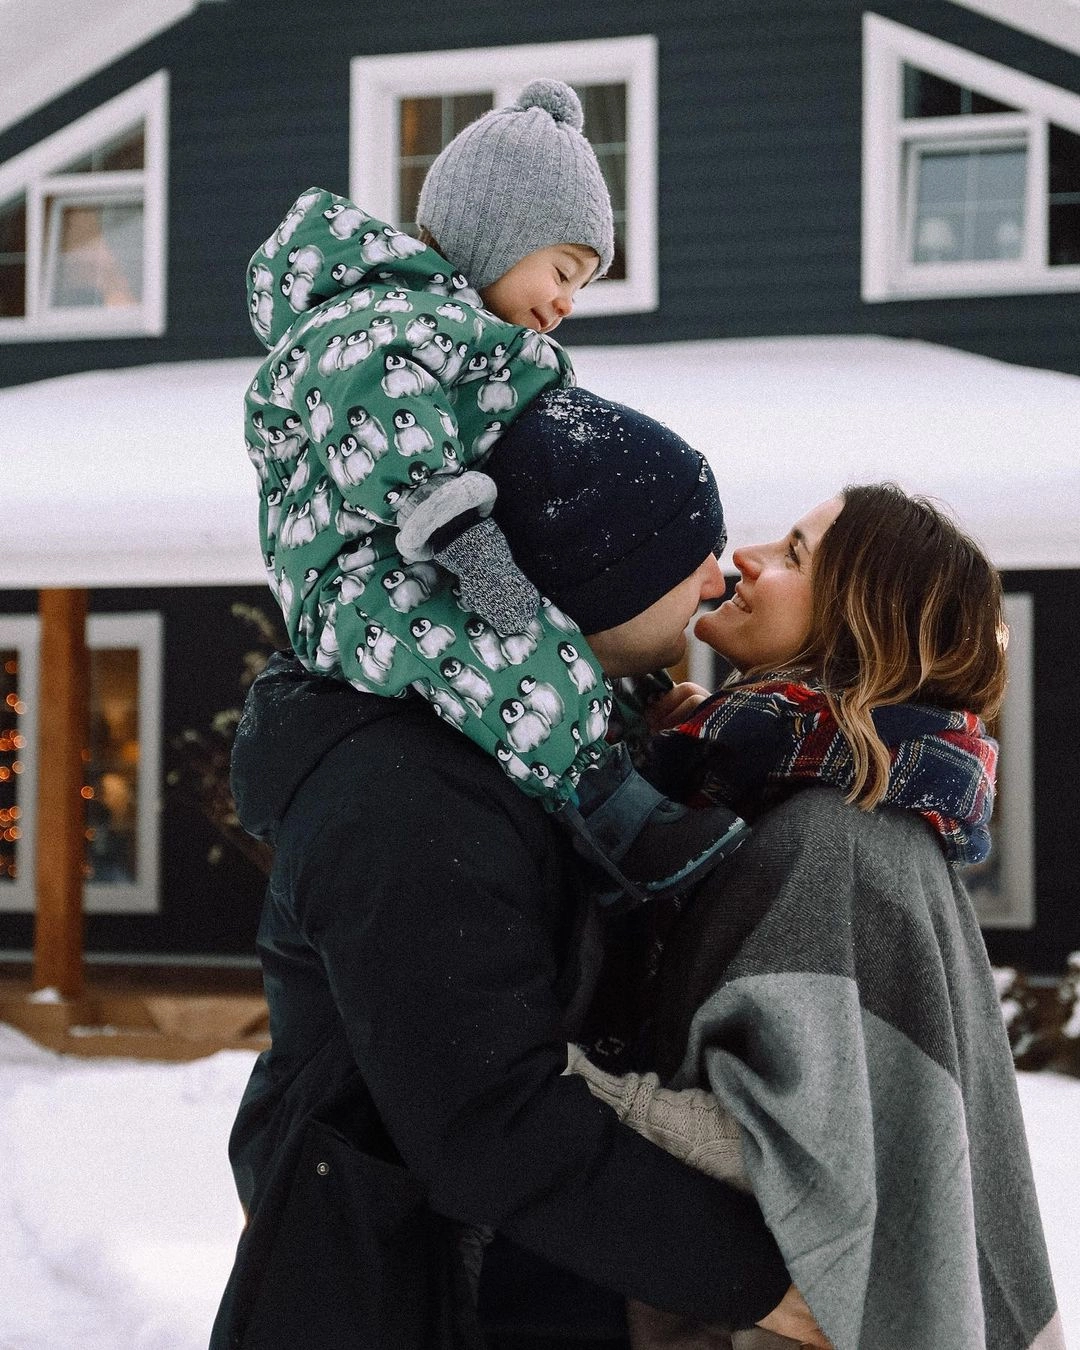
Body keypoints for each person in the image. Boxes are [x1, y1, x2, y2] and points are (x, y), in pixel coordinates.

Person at [210, 392, 828, 1350]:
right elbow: (487, 1121)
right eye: (688, 553)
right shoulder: (410, 790)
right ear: (601, 579)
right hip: (400, 1296)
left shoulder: (546, 742)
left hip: (528, 1279)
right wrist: (759, 1279)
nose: (718, 577)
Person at [568, 485, 1064, 1350]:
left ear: (861, 624)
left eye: (795, 555)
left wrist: (561, 1084)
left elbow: (804, 1152)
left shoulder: (832, 840)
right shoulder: (834, 805)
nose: (746, 556)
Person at [244, 79, 745, 911]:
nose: (567, 301)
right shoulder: (375, 323)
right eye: (562, 269)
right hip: (361, 579)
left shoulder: (468, 337)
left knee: (543, 631)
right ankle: (612, 814)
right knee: (509, 653)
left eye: (582, 284)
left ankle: (637, 742)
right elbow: (385, 432)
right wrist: (468, 540)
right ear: (496, 233)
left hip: (426, 553)